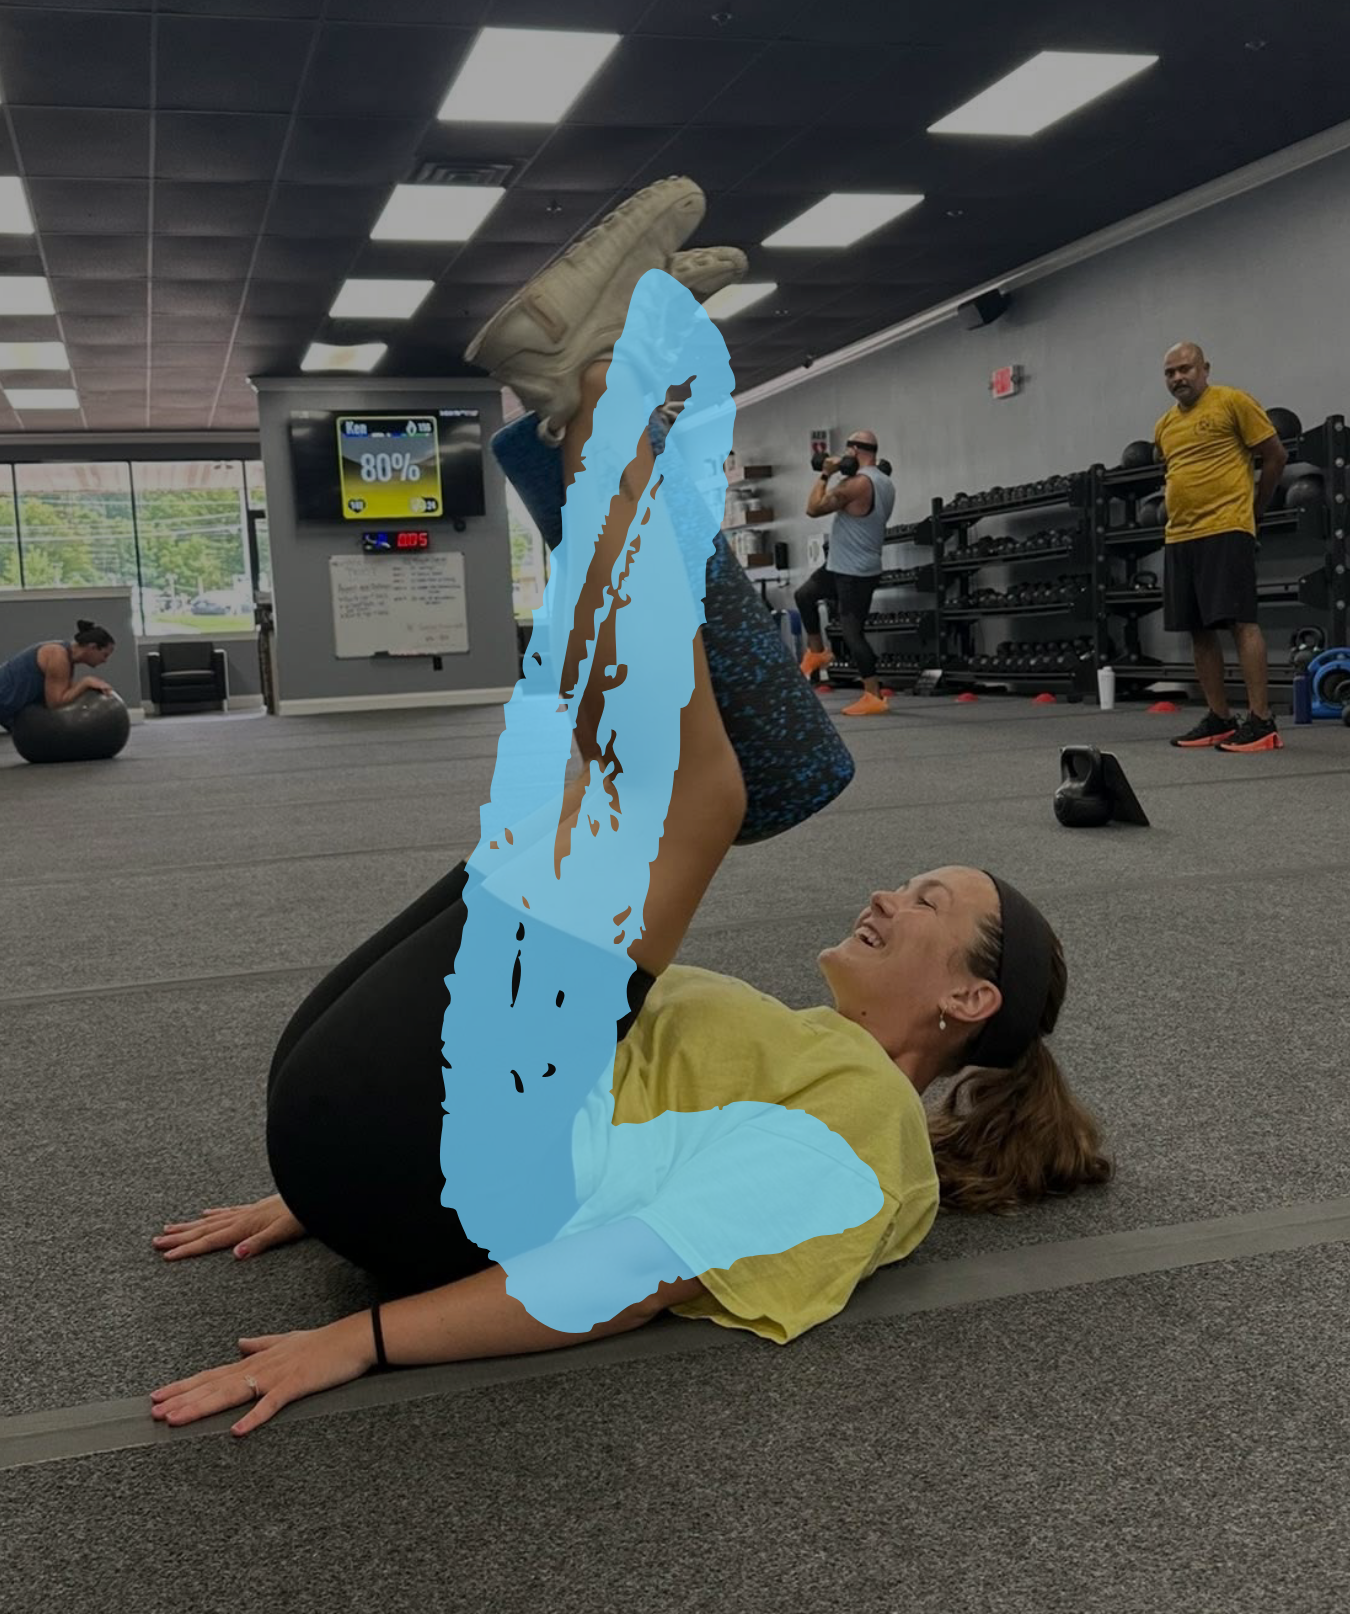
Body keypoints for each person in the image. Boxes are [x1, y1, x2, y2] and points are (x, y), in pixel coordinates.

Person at [149, 179, 1110, 1438]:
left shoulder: (869, 1124)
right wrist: (323, 1192)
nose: (887, 894)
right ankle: (584, 410)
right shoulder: (795, 1047)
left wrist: (360, 1337)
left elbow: (629, 1277)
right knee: (715, 777)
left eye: (929, 903)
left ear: (968, 1001)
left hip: (416, 1166)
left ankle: (604, 397)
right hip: (385, 1141)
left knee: (691, 791)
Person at [1155, 343, 1288, 753]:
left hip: (1226, 527)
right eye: (1170, 372)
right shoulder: (1164, 425)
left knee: (1240, 622)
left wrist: (1254, 512)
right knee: (1198, 629)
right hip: (1180, 535)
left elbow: (1275, 456)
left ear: (1205, 368)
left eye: (1186, 368)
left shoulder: (1233, 402)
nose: (1178, 377)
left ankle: (1261, 721)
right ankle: (1219, 717)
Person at [795, 431, 897, 718]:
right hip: (840, 565)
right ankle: (817, 652)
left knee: (852, 633)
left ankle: (873, 695)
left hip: (854, 572)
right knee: (804, 595)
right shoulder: (884, 480)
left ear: (853, 451)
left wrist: (826, 474)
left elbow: (813, 508)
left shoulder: (859, 483)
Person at [0, 619, 116, 732]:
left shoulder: (65, 657)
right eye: (104, 655)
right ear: (92, 647)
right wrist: (85, 682)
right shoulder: (58, 656)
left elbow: (61, 695)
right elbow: (55, 704)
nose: (104, 660)